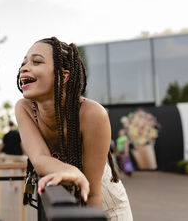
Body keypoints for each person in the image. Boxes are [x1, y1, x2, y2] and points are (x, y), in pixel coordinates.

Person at [15, 37, 133, 220]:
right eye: (24, 63)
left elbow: (93, 195)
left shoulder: (92, 114)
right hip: (67, 199)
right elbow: (39, 158)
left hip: (107, 205)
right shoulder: (24, 108)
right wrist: (70, 170)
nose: (24, 67)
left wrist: (70, 172)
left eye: (36, 61)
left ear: (63, 76)